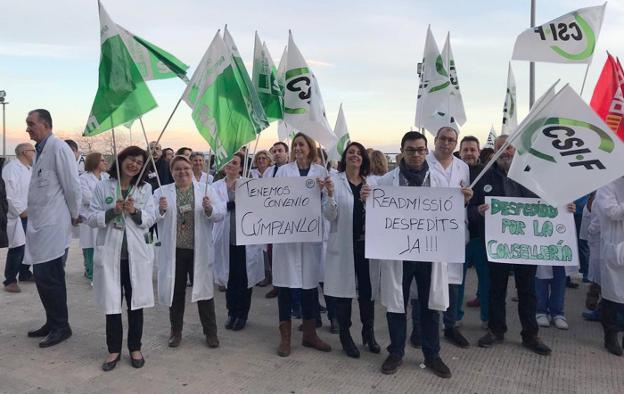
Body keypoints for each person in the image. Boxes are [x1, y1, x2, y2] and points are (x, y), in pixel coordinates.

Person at [363, 131, 471, 378]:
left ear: (426, 151)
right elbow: (375, 217)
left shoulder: (442, 184)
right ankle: (396, 352)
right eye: (410, 149)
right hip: (398, 255)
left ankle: (432, 355)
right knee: (396, 305)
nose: (416, 154)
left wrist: (462, 201)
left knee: (430, 305)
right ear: (402, 150)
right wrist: (366, 200)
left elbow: (449, 217)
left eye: (421, 149)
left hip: (429, 254)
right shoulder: (385, 183)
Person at [472, 135, 551, 355]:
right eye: (500, 148)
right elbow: (470, 209)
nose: (505, 152)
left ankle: (530, 335)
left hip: (526, 246)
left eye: (509, 148)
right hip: (498, 246)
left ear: (516, 151)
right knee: (496, 289)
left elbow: (551, 203)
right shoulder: (484, 178)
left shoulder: (532, 177)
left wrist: (566, 208)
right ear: (494, 152)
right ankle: (496, 330)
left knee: (527, 291)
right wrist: (478, 212)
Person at [86, 146, 156, 371]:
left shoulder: (145, 188)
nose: (134, 164)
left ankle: (135, 347)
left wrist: (135, 212)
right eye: (130, 159)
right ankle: (113, 350)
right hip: (111, 256)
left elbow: (151, 218)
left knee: (136, 305)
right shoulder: (104, 185)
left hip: (136, 256)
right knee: (112, 304)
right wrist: (111, 212)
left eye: (138, 161)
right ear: (121, 159)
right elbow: (91, 216)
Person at [154, 155, 224, 348]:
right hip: (175, 251)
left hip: (198, 251)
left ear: (192, 169)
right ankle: (176, 331)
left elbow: (220, 214)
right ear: (172, 171)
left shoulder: (205, 191)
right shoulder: (162, 192)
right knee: (176, 294)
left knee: (204, 293)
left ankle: (211, 332)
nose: (182, 172)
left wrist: (210, 209)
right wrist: (159, 210)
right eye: (177, 169)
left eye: (186, 168)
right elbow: (150, 217)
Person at [24, 109, 81, 348]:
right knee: (42, 277)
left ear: (45, 125)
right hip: (40, 226)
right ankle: (52, 321)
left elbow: (72, 185)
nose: (27, 128)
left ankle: (61, 326)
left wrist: (75, 214)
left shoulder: (59, 148)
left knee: (51, 277)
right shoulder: (41, 151)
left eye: (31, 124)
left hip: (53, 226)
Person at [273, 132, 331, 357]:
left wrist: (326, 190)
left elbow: (328, 205)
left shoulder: (321, 172)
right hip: (287, 238)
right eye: (295, 144)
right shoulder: (283, 171)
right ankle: (285, 337)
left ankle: (309, 334)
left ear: (310, 147)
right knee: (286, 287)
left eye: (302, 144)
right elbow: (274, 201)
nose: (297, 148)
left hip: (309, 238)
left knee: (309, 286)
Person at [322, 141, 380, 358]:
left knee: (367, 292)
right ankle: (345, 336)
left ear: (364, 159)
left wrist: (369, 201)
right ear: (345, 157)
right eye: (351, 153)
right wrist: (328, 195)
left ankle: (369, 333)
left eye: (359, 153)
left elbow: (381, 214)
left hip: (366, 246)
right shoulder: (334, 182)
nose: (355, 156)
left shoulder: (372, 183)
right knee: (343, 294)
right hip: (344, 246)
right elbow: (329, 216)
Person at [424, 127, 470, 348]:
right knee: (424, 281)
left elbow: (463, 199)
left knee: (452, 280)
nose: (446, 143)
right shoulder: (422, 161)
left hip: (453, 233)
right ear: (435, 140)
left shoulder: (463, 167)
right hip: (427, 232)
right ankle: (419, 328)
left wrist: (467, 198)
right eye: (442, 138)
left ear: (456, 144)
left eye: (451, 140)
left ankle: (450, 326)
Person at [212, 153, 265, 331]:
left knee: (244, 279)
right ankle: (231, 312)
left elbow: (259, 209)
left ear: (241, 167)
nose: (231, 166)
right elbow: (213, 211)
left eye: (235, 163)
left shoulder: (249, 185)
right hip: (225, 241)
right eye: (228, 162)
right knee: (230, 279)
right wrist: (229, 204)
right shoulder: (215, 186)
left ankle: (242, 314)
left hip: (245, 241)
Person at [594, 178, 624, 356]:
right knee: (612, 295)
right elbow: (611, 211)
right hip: (614, 244)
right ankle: (610, 335)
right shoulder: (607, 185)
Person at [3, 143, 35, 293]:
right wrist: (21, 211)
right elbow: (8, 194)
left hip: (30, 213)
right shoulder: (11, 169)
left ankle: (24, 272)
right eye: (32, 151)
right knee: (17, 246)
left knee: (29, 245)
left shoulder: (30, 169)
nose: (35, 153)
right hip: (16, 215)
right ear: (24, 152)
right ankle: (10, 280)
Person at [263, 141, 290, 299]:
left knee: (287, 255)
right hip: (272, 217)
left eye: (280, 150)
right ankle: (277, 284)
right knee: (272, 253)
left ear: (287, 153)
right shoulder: (268, 172)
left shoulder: (292, 170)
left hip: (288, 218)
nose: (277, 153)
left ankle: (287, 287)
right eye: (274, 151)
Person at [78, 152, 109, 284]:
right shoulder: (83, 179)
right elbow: (87, 198)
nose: (105, 162)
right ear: (95, 163)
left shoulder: (107, 177)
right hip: (88, 217)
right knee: (90, 246)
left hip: (104, 216)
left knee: (103, 246)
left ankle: (102, 272)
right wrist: (105, 202)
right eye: (102, 160)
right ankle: (91, 274)